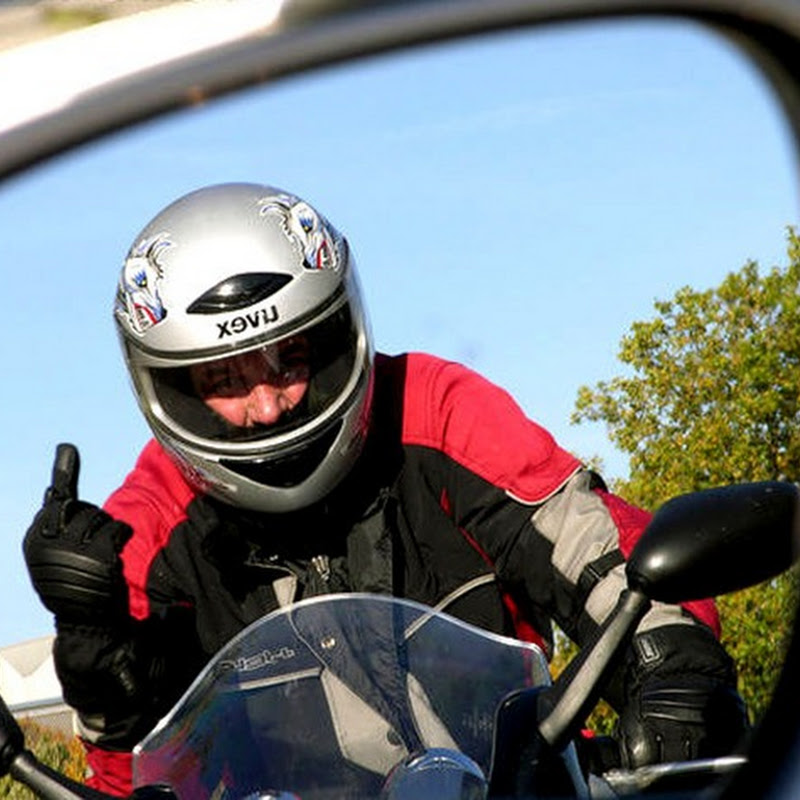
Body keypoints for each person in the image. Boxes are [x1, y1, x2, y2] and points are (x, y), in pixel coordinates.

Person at [24, 183, 747, 796]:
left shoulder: (434, 409)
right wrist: (96, 658)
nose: (268, 405)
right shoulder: (146, 527)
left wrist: (671, 669)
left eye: (289, 359)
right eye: (224, 379)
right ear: (175, 389)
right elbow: (134, 780)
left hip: (517, 785)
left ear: (335, 334)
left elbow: (591, 542)